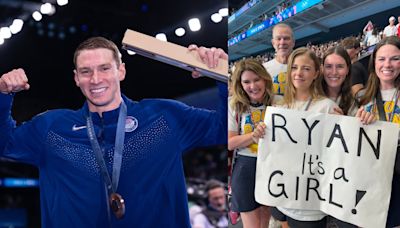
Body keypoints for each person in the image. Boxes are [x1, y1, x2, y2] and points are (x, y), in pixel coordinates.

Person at [0, 37, 228, 227]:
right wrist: (2, 95)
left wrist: (223, 75)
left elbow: (224, 129)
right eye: (86, 71)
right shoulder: (51, 128)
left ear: (121, 71)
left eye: (105, 68)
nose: (95, 79)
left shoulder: (163, 117)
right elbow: (5, 144)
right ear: (76, 78)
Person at [255, 47, 338, 228]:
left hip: (309, 204)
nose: (299, 73)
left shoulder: (327, 108)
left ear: (317, 73)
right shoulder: (280, 107)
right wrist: (260, 133)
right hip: (283, 196)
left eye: (306, 69)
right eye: (294, 67)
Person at [357, 36, 400, 228]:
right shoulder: (362, 98)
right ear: (374, 62)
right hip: (372, 181)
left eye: (395, 58)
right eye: (382, 59)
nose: (387, 64)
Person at [228, 59, 275, 228]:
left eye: (257, 80)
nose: (253, 86)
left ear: (265, 79)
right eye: (247, 82)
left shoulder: (277, 102)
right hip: (246, 167)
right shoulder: (234, 105)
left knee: (265, 222)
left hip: (271, 165)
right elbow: (230, 142)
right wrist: (252, 136)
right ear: (240, 84)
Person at [322, 46, 358, 116]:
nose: (334, 72)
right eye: (329, 66)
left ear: (347, 70)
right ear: (322, 69)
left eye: (340, 66)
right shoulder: (310, 97)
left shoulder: (352, 103)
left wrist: (343, 121)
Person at [262, 23, 295, 95]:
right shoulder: (264, 69)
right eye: (278, 39)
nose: (282, 42)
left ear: (293, 42)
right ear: (273, 43)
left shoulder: (302, 67)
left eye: (286, 38)